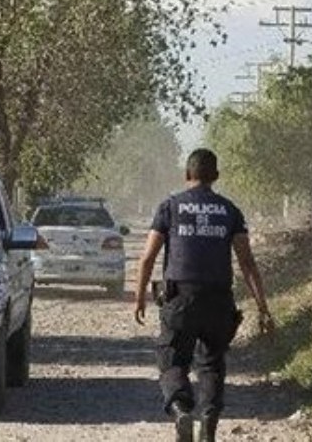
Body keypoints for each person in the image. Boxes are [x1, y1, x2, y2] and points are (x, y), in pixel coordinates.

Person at [133, 148, 274, 442]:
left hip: (179, 299)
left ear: (187, 176)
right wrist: (263, 307)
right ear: (216, 177)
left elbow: (147, 258)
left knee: (172, 360)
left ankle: (181, 410)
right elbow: (247, 262)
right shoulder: (230, 210)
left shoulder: (169, 207)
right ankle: (208, 419)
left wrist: (139, 298)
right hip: (218, 300)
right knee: (211, 362)